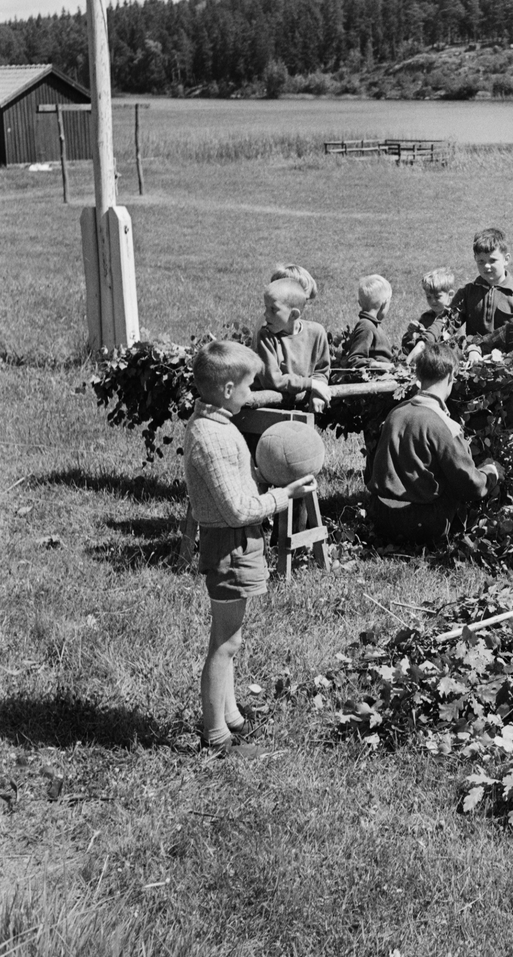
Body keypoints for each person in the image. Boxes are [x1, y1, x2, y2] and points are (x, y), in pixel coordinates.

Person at [184, 341, 316, 754]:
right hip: (231, 543)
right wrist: (284, 495)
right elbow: (239, 508)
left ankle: (232, 715)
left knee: (231, 639)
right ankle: (216, 734)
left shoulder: (217, 424)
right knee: (225, 644)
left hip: (237, 539)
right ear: (226, 389)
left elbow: (236, 487)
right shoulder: (211, 436)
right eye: (247, 386)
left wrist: (262, 475)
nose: (252, 393)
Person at [367, 342, 503, 545]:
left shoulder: (395, 414)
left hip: (379, 516)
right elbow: (471, 487)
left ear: (418, 375)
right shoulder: (444, 426)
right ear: (450, 376)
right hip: (420, 524)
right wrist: (491, 472)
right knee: (458, 480)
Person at [254, 277, 331, 413]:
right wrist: (311, 384)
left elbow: (321, 371)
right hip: (265, 410)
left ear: (294, 314)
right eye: (266, 307)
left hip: (299, 408)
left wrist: (318, 391)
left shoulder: (316, 333)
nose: (266, 314)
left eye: (273, 309)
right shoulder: (266, 337)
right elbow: (273, 380)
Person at [437, 227, 513, 343]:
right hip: (474, 356)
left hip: (512, 358)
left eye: (492, 260)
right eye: (481, 261)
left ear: (506, 259)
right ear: (475, 259)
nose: (486, 266)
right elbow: (446, 323)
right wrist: (425, 339)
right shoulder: (467, 293)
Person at [401, 267, 456, 357]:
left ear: (450, 295)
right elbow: (409, 350)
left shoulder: (456, 318)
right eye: (428, 297)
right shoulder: (426, 318)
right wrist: (411, 335)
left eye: (437, 297)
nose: (433, 301)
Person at [341, 274, 393, 368]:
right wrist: (376, 365)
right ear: (384, 303)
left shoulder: (372, 325)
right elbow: (354, 360)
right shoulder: (366, 326)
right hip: (375, 380)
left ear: (360, 303)